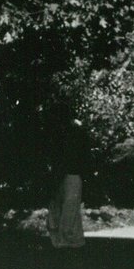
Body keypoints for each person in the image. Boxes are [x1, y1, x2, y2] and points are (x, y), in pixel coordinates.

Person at [47, 104, 92, 249]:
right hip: (68, 173)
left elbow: (83, 154)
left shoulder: (70, 130)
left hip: (70, 173)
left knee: (68, 209)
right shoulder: (66, 130)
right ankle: (71, 240)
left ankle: (68, 241)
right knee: (68, 209)